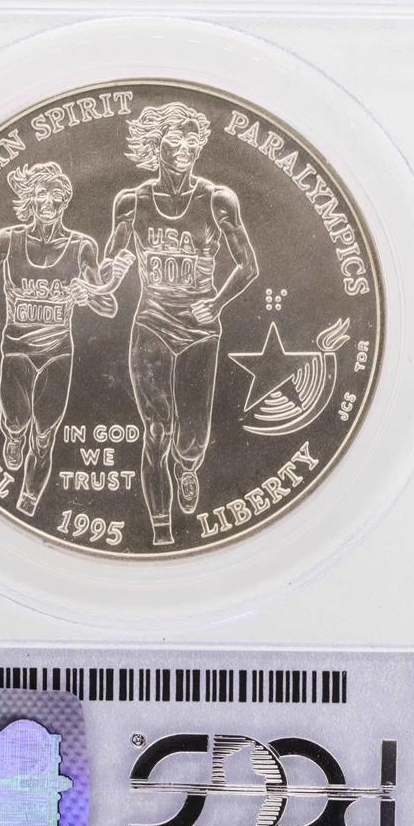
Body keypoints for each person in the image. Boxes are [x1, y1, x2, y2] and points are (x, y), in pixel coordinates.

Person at [99, 102, 259, 546]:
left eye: (193, 139)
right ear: (157, 145)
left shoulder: (218, 200)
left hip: (199, 329)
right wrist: (106, 279)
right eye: (176, 138)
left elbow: (248, 266)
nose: (186, 147)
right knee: (156, 430)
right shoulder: (131, 203)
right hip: (150, 322)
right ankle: (161, 528)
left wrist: (217, 303)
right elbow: (113, 263)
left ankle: (188, 467)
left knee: (191, 440)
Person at [0, 161, 132, 516]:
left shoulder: (82, 246)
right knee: (17, 421)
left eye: (55, 195)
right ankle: (13, 437)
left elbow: (108, 306)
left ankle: (28, 501)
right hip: (16, 349)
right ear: (30, 199)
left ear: (64, 200)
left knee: (44, 435)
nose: (48, 202)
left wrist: (92, 291)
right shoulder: (7, 240)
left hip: (58, 352)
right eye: (41, 194)